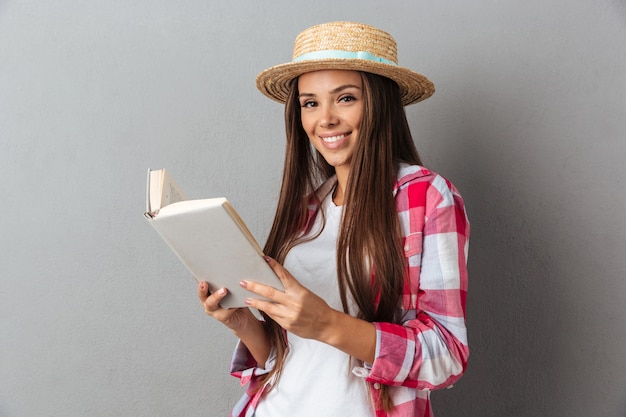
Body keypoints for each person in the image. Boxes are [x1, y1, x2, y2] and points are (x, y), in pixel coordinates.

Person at [197, 21, 470, 417]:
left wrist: (328, 323)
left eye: (345, 98)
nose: (324, 119)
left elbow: (447, 354)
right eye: (310, 103)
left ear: (379, 104)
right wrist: (241, 321)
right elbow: (289, 354)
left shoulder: (427, 196)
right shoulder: (308, 210)